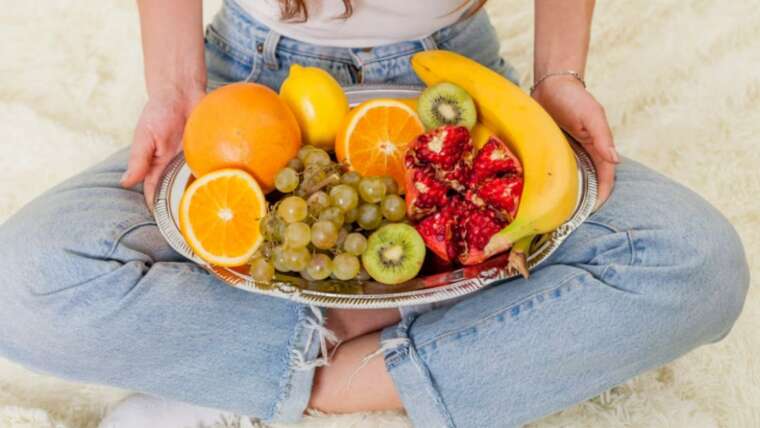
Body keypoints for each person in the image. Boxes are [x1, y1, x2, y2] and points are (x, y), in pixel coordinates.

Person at [0, 0, 750, 427]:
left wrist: (558, 74)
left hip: (449, 79)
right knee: (22, 284)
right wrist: (174, 87)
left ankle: (277, 375)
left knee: (695, 266)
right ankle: (415, 337)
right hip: (246, 82)